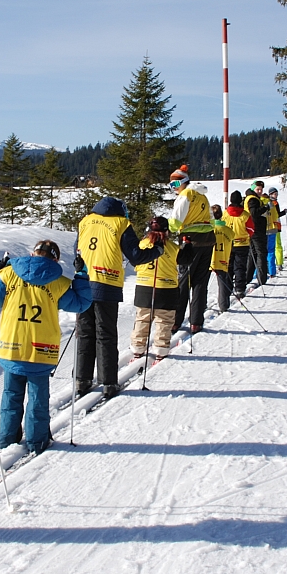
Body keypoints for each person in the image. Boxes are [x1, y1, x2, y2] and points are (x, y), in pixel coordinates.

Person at [0, 240, 92, 451]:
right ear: (55, 259)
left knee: (11, 396)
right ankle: (37, 440)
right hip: (42, 350)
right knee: (38, 399)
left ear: (33, 254)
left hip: (11, 345)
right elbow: (81, 303)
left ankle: (7, 439)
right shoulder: (58, 282)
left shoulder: (10, 273)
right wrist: (81, 276)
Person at [75, 196, 162, 401]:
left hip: (84, 282)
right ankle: (109, 383)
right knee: (105, 334)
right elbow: (136, 256)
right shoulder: (121, 223)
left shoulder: (85, 221)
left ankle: (82, 379)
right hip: (107, 283)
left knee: (85, 332)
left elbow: (76, 252)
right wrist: (156, 250)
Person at [167, 166, 214, 334]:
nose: (174, 187)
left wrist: (169, 227)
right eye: (171, 184)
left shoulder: (185, 195)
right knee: (200, 283)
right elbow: (212, 219)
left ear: (183, 182)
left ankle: (176, 321)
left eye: (175, 183)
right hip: (208, 240)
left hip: (189, 241)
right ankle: (196, 322)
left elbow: (176, 221)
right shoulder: (202, 195)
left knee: (183, 281)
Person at [132, 217, 177, 363]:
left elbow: (135, 264)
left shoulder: (142, 244)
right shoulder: (172, 247)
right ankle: (161, 349)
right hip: (166, 288)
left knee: (142, 318)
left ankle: (138, 348)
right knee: (164, 320)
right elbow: (185, 260)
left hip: (144, 286)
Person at [221, 190, 253, 297]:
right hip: (242, 244)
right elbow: (251, 230)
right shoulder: (245, 215)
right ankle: (240, 288)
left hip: (228, 243)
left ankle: (227, 288)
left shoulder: (225, 213)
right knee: (240, 267)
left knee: (228, 267)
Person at [210, 204, 236, 312]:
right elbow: (233, 236)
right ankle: (223, 305)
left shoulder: (209, 229)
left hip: (209, 259)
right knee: (222, 284)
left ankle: (201, 306)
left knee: (202, 284)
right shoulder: (228, 230)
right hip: (223, 259)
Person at [244, 183, 269, 288]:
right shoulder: (253, 199)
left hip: (251, 229)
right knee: (261, 253)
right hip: (256, 229)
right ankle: (262, 278)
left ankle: (248, 277)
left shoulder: (249, 198)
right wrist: (265, 208)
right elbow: (254, 213)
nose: (260, 191)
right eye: (258, 189)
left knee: (253, 253)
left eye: (261, 189)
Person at [266, 187, 286, 277]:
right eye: (274, 194)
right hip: (275, 226)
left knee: (274, 245)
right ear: (270, 194)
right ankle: (279, 262)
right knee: (277, 245)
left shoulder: (267, 202)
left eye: (276, 193)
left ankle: (276, 263)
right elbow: (277, 214)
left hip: (272, 226)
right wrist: (284, 212)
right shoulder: (274, 203)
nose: (276, 195)